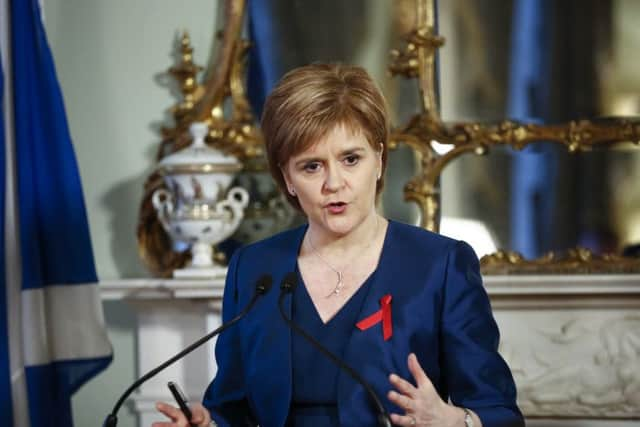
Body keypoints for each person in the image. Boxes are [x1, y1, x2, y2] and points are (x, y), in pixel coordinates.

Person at [153, 63, 524, 427]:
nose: (334, 183)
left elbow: (501, 414)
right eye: (311, 166)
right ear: (287, 178)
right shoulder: (253, 268)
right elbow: (230, 407)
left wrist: (454, 421)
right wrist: (208, 423)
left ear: (379, 159)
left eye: (350, 159)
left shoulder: (441, 265)